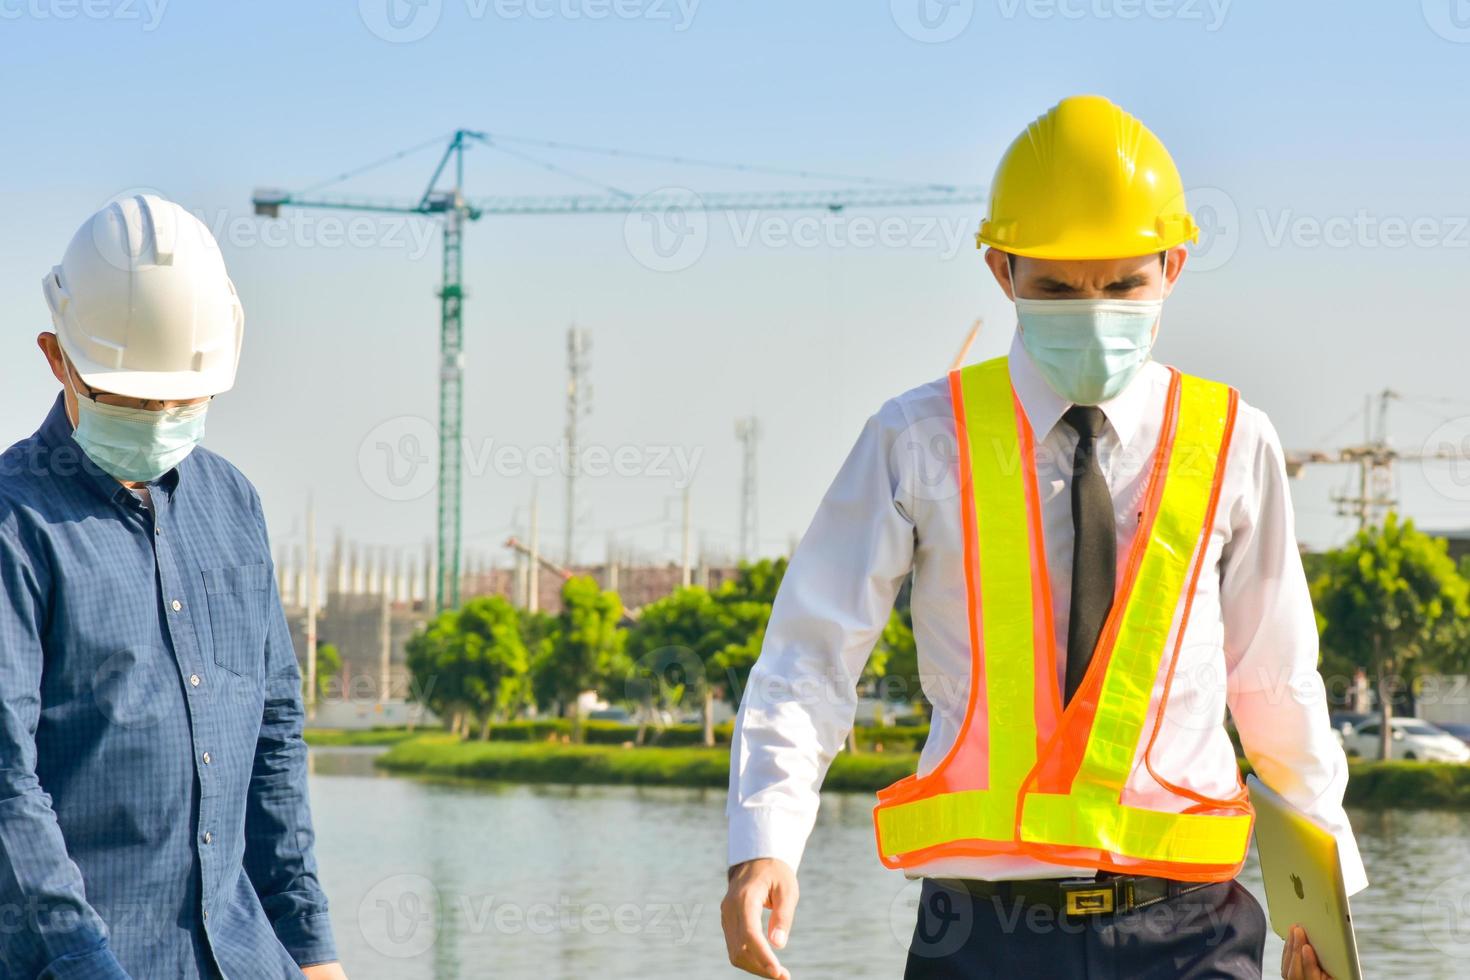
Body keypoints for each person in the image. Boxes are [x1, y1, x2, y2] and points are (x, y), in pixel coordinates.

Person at [721, 95, 1366, 980]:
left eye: (1123, 284)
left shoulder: (1233, 440)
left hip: (1190, 933)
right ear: (1000, 270)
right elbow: (810, 658)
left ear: (1173, 267)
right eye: (1058, 287)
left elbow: (1278, 685)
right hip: (978, 938)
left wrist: (1323, 915)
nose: (1093, 310)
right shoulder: (919, 439)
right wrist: (765, 841)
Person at [0, 195, 346, 979]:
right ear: (58, 359)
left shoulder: (233, 505)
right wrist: (83, 965)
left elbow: (275, 740)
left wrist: (311, 948)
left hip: (248, 958)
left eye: (183, 398)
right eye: (131, 397)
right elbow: (5, 781)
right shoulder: (15, 525)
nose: (160, 416)